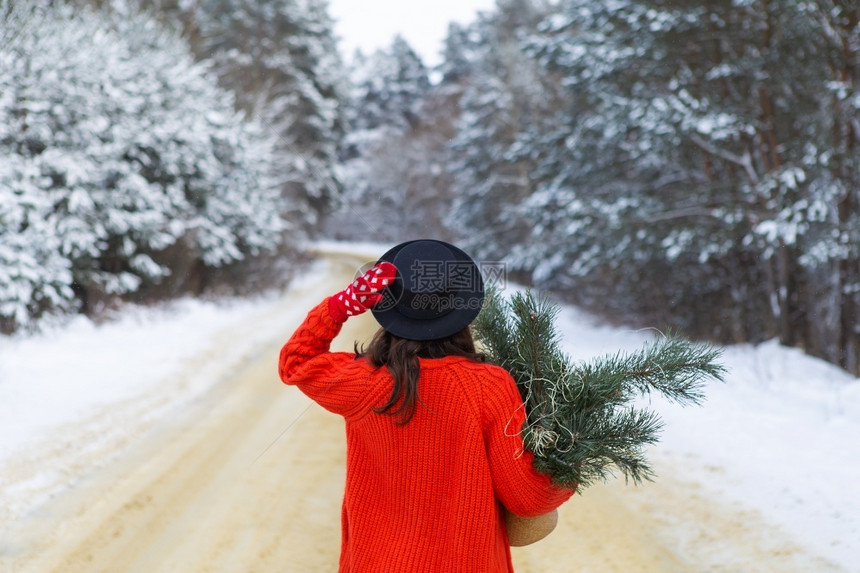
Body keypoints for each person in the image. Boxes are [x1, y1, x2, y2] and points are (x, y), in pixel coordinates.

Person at [278, 239, 574, 572]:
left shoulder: (362, 382)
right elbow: (527, 497)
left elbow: (296, 362)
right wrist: (572, 462)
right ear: (462, 309)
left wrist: (339, 308)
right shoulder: (489, 387)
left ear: (391, 310)